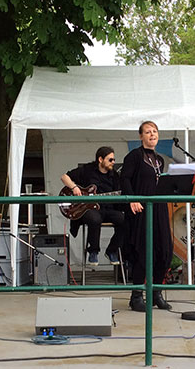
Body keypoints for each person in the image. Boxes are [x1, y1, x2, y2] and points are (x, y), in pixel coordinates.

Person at [121, 121, 172, 312]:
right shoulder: (134, 156)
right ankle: (136, 296)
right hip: (142, 210)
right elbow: (124, 178)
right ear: (141, 136)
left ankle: (156, 292)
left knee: (164, 251)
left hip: (159, 209)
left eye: (155, 131)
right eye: (148, 132)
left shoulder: (159, 160)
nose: (152, 134)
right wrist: (132, 199)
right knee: (144, 252)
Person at [60, 146, 125, 266]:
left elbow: (120, 193)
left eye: (114, 159)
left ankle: (112, 250)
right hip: (88, 209)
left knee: (124, 220)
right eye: (110, 160)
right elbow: (64, 177)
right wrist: (74, 188)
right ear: (100, 159)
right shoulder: (87, 170)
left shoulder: (114, 175)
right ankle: (93, 251)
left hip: (108, 209)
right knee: (94, 219)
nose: (113, 162)